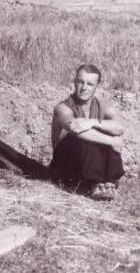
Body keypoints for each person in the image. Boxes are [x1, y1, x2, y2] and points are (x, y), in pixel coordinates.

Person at [50, 64, 124, 200]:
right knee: (86, 135)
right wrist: (112, 141)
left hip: (89, 164)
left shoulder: (104, 107)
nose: (84, 88)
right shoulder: (62, 108)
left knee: (106, 131)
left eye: (90, 84)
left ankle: (110, 183)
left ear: (97, 86)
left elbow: (120, 128)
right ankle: (93, 184)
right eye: (80, 82)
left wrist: (93, 122)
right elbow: (75, 130)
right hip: (65, 165)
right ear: (74, 82)